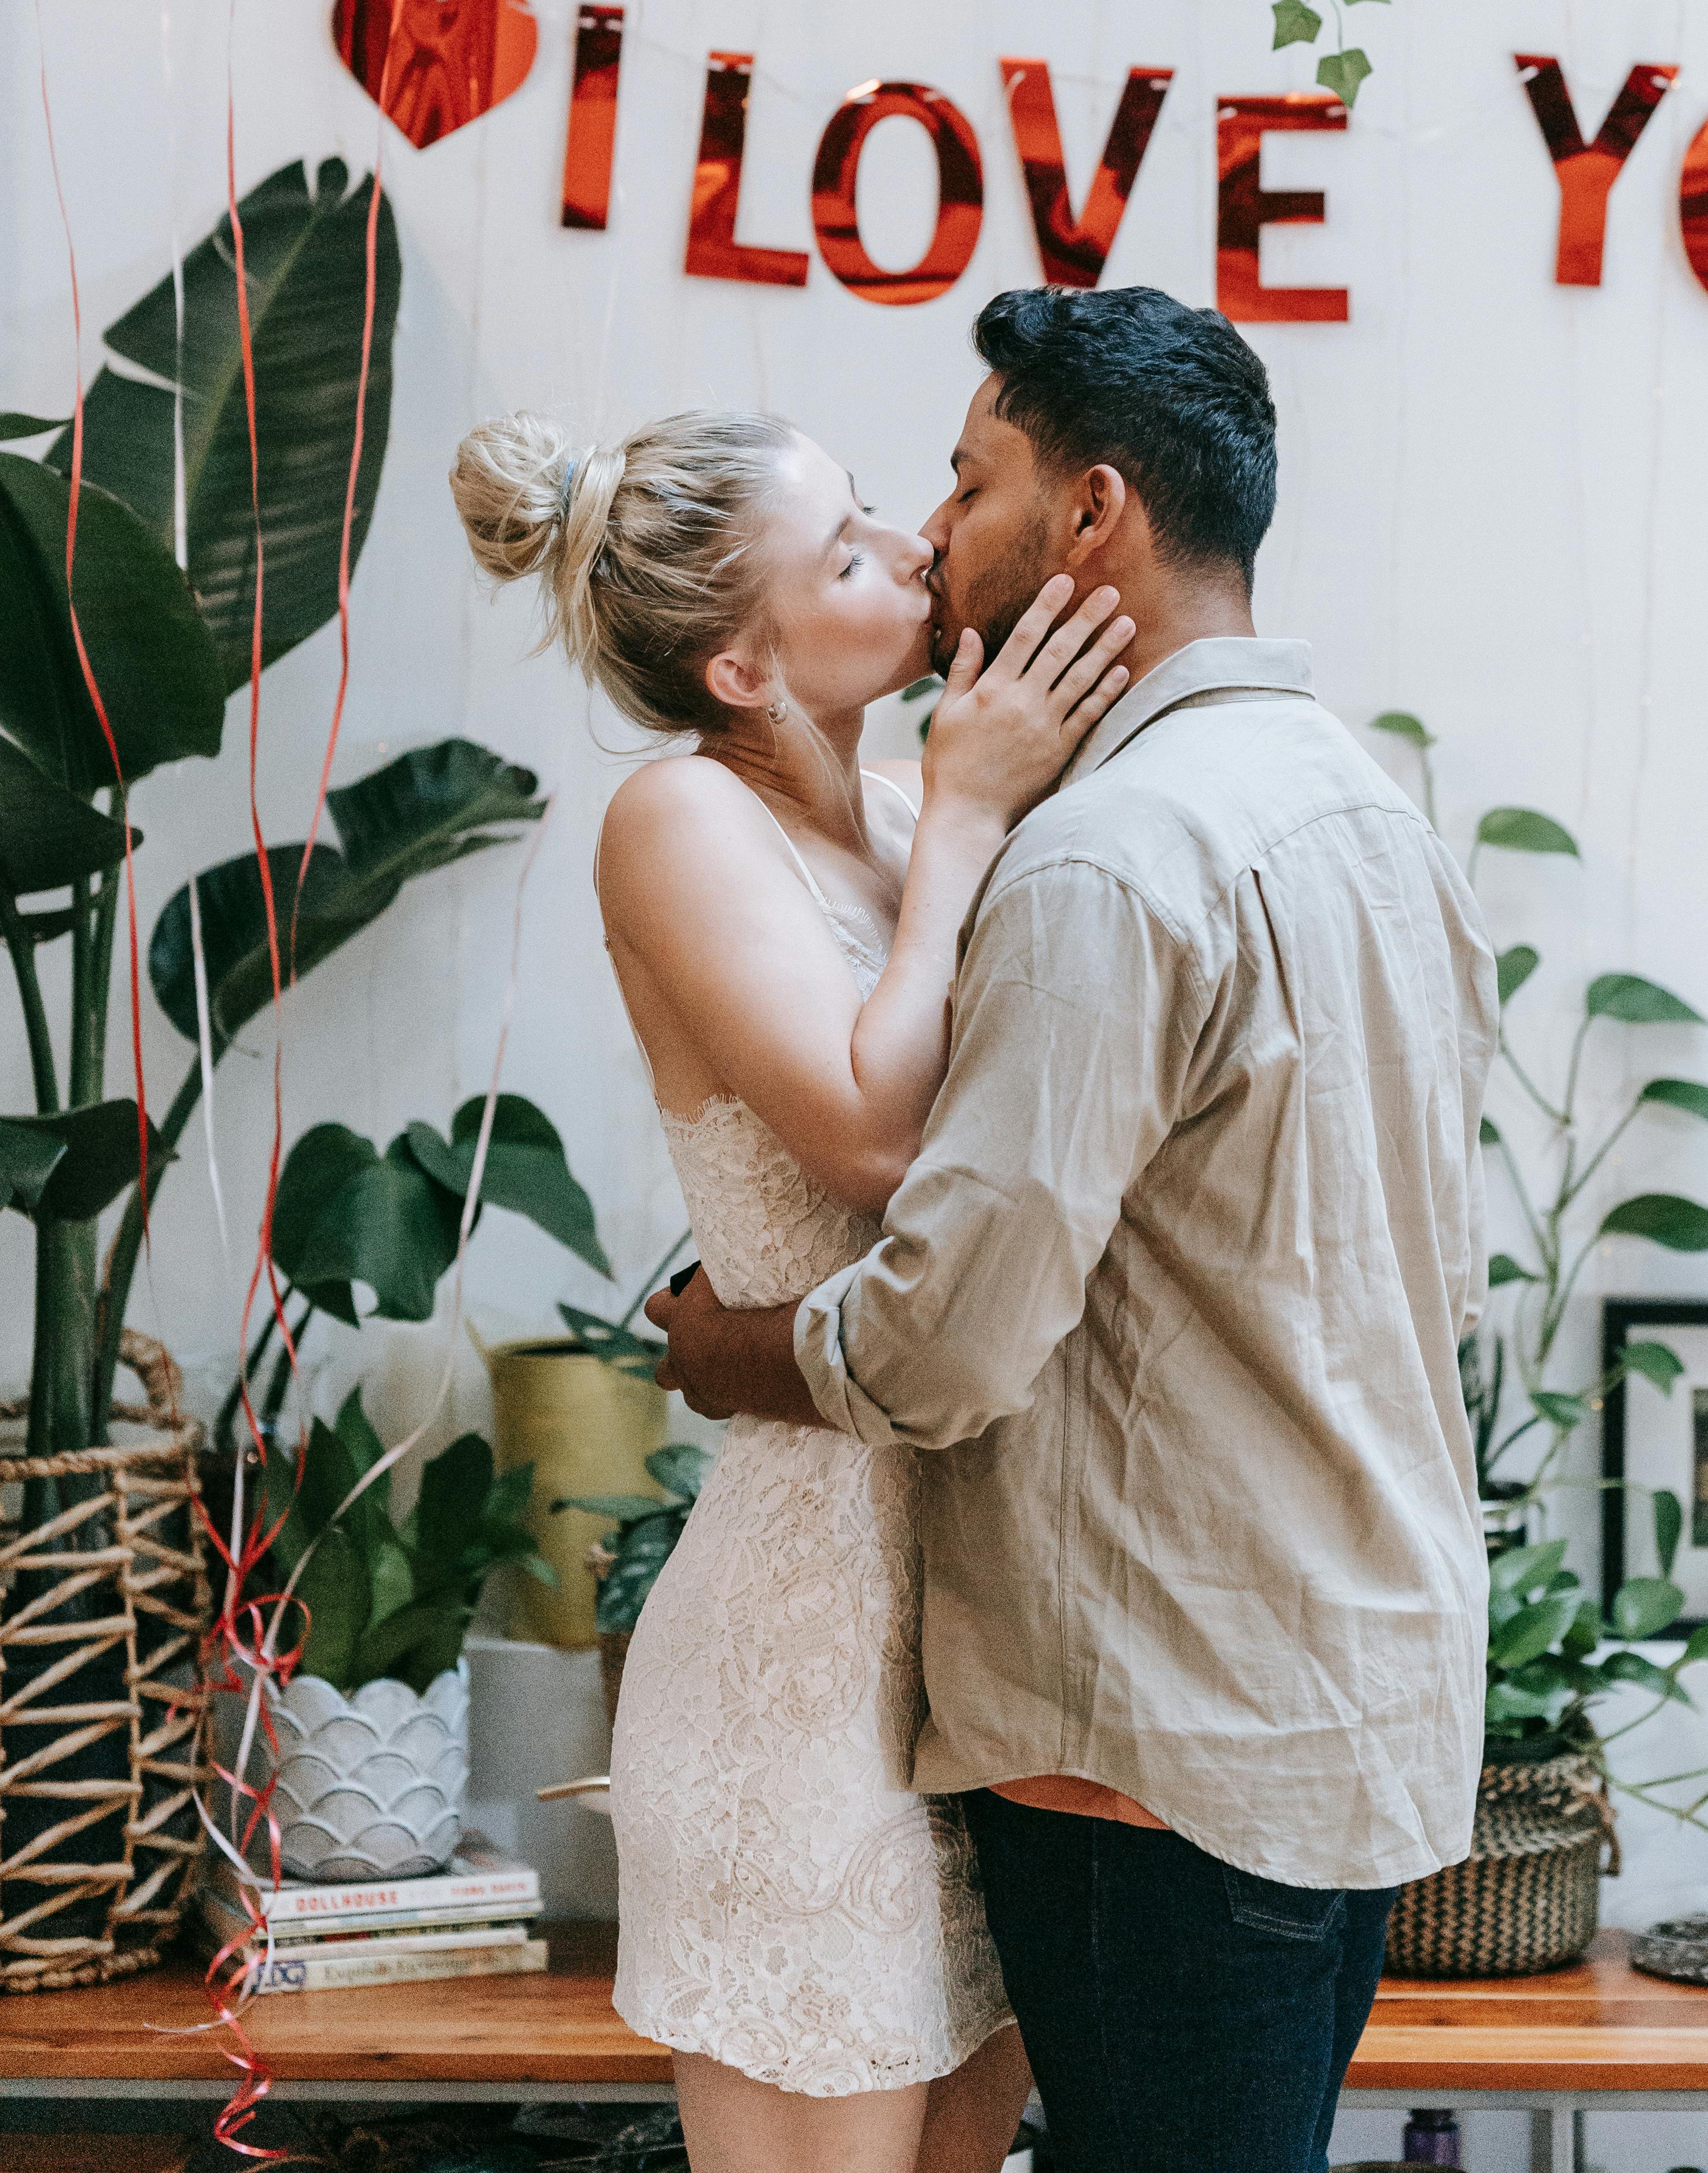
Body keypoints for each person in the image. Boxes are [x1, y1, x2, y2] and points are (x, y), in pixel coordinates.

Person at [647, 286, 1497, 2173]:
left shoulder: (1109, 859)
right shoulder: (1370, 814)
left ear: (1092, 516)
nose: (938, 538)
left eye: (967, 483)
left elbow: (947, 1338)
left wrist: (721, 1348)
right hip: (1346, 1715)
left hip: (1153, 1756)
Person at [452, 403, 1139, 2173]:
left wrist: (971, 801)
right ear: (744, 664)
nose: (909, 548)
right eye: (845, 552)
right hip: (801, 1660)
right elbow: (872, 1141)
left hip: (973, 1661)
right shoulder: (678, 817)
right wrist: (977, 813)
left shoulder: (921, 806)